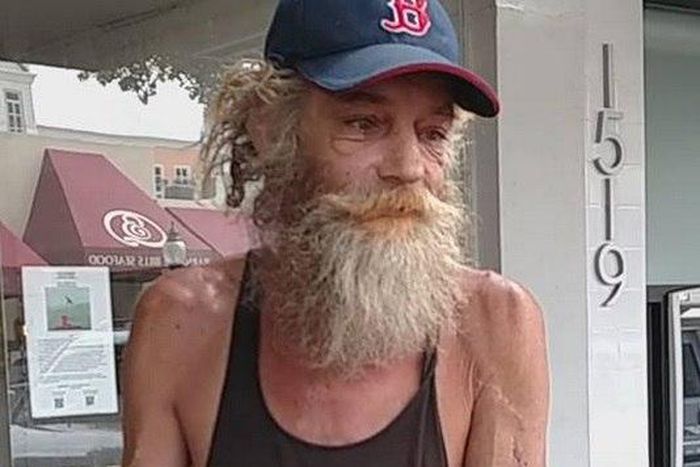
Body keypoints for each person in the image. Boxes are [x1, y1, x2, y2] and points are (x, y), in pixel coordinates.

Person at [121, 0, 550, 466]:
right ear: (270, 128)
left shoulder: (493, 326)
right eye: (363, 124)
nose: (408, 168)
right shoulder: (182, 322)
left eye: (433, 133)